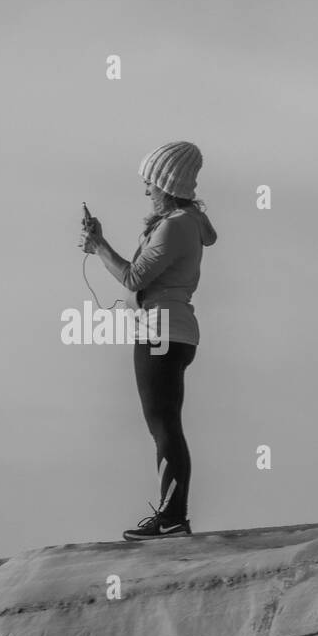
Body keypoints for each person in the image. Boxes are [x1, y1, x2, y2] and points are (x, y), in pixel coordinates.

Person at [80, 141, 218, 540]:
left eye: (150, 184)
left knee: (164, 427)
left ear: (166, 184)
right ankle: (172, 516)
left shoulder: (176, 225)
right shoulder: (185, 223)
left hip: (160, 332)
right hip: (174, 331)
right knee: (166, 425)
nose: (146, 191)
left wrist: (98, 245)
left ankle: (173, 519)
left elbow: (134, 278)